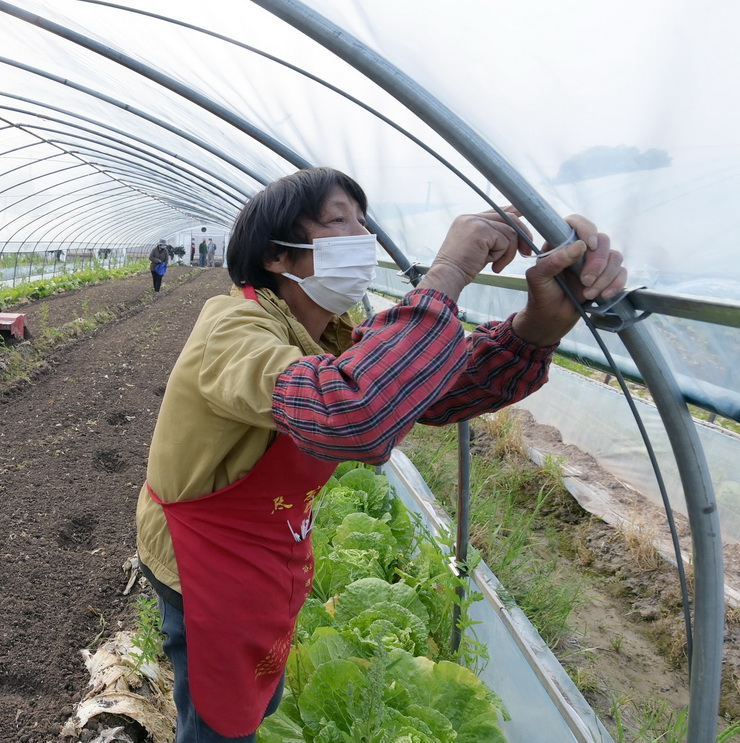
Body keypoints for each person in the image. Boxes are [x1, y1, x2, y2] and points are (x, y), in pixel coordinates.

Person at [134, 167, 626, 742]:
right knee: (219, 720)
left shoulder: (337, 330)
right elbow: (346, 411)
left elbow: (431, 390)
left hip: (267, 547)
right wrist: (446, 274)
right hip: (204, 558)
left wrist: (537, 325)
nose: (363, 238)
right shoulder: (233, 325)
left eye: (363, 222)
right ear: (278, 255)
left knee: (256, 700)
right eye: (339, 221)